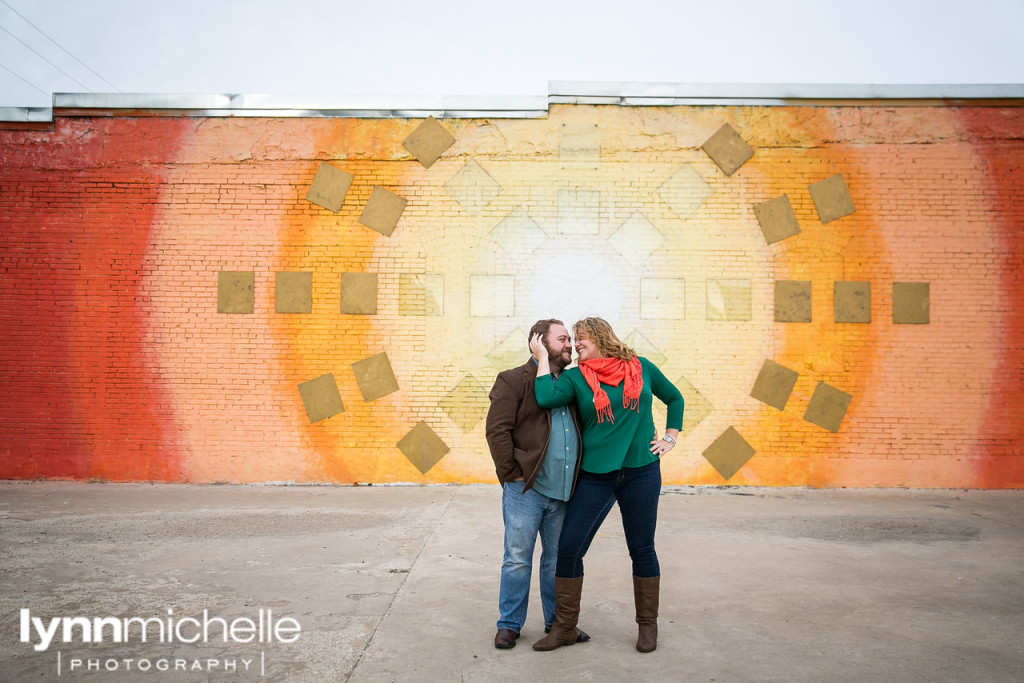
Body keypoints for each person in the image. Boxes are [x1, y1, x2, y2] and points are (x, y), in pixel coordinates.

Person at [528, 317, 683, 654]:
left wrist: (670, 438)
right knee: (569, 549)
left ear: (599, 337)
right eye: (573, 340)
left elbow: (675, 398)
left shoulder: (641, 368)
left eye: (581, 338)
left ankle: (647, 626)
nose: (576, 345)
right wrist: (541, 357)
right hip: (595, 475)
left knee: (641, 548)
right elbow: (544, 397)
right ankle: (565, 627)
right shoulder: (575, 378)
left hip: (641, 472)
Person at [485, 319, 590, 649]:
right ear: (539, 343)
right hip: (525, 489)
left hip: (563, 490)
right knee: (517, 558)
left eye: (570, 339)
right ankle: (509, 624)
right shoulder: (514, 379)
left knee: (557, 561)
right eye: (562, 339)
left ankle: (558, 624)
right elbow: (497, 431)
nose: (569, 345)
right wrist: (511, 474)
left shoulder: (573, 382)